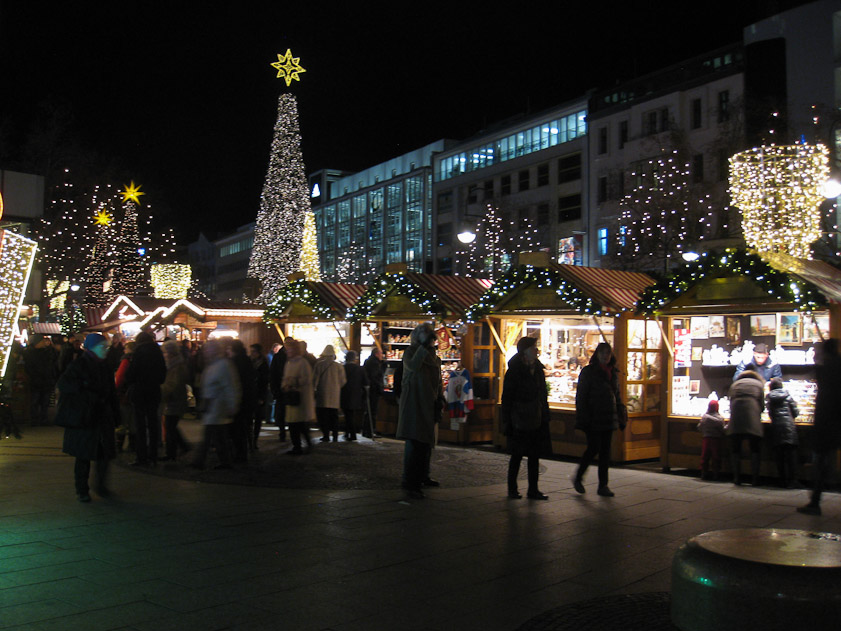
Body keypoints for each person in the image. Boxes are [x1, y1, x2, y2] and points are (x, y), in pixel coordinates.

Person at [55, 334, 118, 502]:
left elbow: (111, 392)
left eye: (106, 347)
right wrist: (85, 389)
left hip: (102, 416)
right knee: (83, 455)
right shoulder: (79, 365)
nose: (105, 350)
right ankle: (82, 489)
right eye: (102, 347)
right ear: (91, 348)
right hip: (85, 417)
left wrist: (115, 414)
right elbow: (64, 384)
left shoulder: (105, 366)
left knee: (104, 454)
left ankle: (101, 486)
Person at [396, 323, 443, 499]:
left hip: (428, 403)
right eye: (428, 335)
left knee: (426, 443)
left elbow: (437, 379)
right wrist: (423, 347)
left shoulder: (433, 356)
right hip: (414, 404)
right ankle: (410, 482)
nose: (431, 338)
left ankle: (423, 476)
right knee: (414, 443)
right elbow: (414, 366)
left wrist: (440, 396)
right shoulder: (410, 352)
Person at [573, 342, 627, 497]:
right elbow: (581, 396)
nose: (605, 356)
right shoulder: (589, 372)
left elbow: (616, 395)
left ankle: (603, 485)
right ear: (597, 354)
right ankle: (578, 477)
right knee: (593, 448)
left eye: (608, 353)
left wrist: (620, 411)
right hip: (593, 417)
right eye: (603, 353)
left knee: (605, 451)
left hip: (609, 417)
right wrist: (583, 415)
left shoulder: (613, 372)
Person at [501, 336, 551, 500]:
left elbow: (542, 394)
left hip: (535, 417)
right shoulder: (515, 370)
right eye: (533, 347)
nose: (536, 350)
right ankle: (512, 489)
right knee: (517, 455)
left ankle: (533, 489)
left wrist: (545, 413)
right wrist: (507, 420)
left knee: (534, 455)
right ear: (525, 351)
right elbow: (507, 397)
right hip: (519, 418)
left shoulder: (537, 369)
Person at [799, 339, 841, 515]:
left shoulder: (826, 369)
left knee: (821, 463)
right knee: (824, 462)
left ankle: (815, 501)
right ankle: (815, 500)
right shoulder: (836, 366)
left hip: (826, 421)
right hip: (834, 420)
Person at [191, 339, 240, 470]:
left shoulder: (222, 365)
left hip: (218, 406)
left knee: (213, 435)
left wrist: (232, 404)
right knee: (217, 435)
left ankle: (201, 460)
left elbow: (230, 387)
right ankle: (223, 461)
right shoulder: (214, 365)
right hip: (213, 406)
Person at [124, 332, 167, 466]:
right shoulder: (158, 353)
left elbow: (131, 374)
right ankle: (153, 456)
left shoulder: (139, 353)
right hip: (154, 392)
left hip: (140, 392)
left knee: (140, 426)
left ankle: (141, 456)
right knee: (153, 424)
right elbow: (162, 375)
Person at [727, 369, 765, 486]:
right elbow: (762, 405)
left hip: (736, 419)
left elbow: (730, 402)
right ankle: (755, 478)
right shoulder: (759, 385)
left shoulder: (735, 385)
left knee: (735, 449)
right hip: (752, 418)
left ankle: (737, 478)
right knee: (755, 449)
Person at [282, 339, 315, 455]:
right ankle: (299, 445)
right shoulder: (289, 363)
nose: (288, 352)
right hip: (292, 397)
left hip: (300, 398)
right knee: (295, 424)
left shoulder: (302, 363)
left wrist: (294, 382)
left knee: (298, 424)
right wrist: (286, 385)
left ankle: (300, 445)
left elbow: (307, 379)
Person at [765, 378, 800, 488]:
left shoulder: (769, 397)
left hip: (776, 428)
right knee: (791, 457)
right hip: (789, 427)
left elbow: (770, 413)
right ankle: (793, 481)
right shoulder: (787, 395)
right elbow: (795, 412)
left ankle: (782, 480)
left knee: (779, 457)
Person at [160, 340, 190, 462]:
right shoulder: (175, 365)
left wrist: (163, 391)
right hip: (174, 399)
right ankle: (181, 447)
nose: (164, 355)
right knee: (171, 426)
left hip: (174, 400)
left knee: (170, 426)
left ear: (170, 353)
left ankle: (173, 452)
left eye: (165, 352)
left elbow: (174, 384)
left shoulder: (175, 366)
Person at [228, 339, 255, 463]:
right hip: (247, 398)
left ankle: (239, 454)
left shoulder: (235, 362)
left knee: (237, 428)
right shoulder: (246, 360)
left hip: (239, 399)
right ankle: (242, 452)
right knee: (242, 428)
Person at [312, 345, 347, 442]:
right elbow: (343, 381)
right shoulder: (339, 366)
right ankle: (335, 436)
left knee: (323, 417)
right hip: (335, 395)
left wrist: (315, 389)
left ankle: (326, 435)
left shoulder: (319, 365)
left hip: (322, 394)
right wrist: (337, 387)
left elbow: (315, 380)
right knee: (334, 417)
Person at [23, 334, 56, 425]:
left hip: (45, 380)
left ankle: (43, 418)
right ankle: (35, 418)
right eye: (42, 341)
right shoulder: (31, 353)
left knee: (44, 401)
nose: (43, 343)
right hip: (37, 380)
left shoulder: (46, 352)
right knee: (36, 400)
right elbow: (30, 367)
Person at [340, 350, 367, 441]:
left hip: (344, 394)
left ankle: (349, 433)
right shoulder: (360, 369)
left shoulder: (342, 368)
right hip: (356, 395)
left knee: (348, 414)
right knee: (351, 414)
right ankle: (351, 433)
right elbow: (366, 382)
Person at [697, 400, 726, 480]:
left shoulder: (705, 417)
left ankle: (703, 473)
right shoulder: (719, 418)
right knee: (716, 457)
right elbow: (723, 429)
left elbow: (699, 427)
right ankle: (715, 474)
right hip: (716, 440)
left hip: (706, 438)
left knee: (705, 456)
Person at [250, 343, 270, 450]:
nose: (251, 354)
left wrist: (262, 397)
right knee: (250, 420)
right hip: (251, 394)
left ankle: (254, 440)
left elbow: (264, 381)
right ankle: (251, 440)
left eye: (253, 351)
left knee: (257, 419)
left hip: (258, 395)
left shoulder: (263, 364)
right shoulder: (250, 362)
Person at [269, 338, 288, 442]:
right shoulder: (284, 357)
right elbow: (273, 374)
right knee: (283, 411)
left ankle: (282, 432)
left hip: (281, 389)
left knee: (282, 411)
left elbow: (272, 373)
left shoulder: (278, 356)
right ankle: (282, 431)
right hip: (283, 389)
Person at [363, 347, 384, 437]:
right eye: (381, 353)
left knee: (369, 411)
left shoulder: (368, 361)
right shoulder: (375, 363)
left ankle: (367, 431)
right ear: (376, 354)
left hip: (369, 389)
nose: (382, 355)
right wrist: (380, 387)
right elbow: (375, 377)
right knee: (372, 411)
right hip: (373, 390)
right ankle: (371, 431)